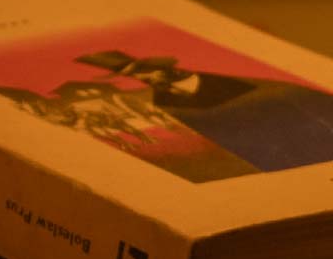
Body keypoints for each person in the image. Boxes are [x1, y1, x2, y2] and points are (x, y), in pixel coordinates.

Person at [76, 49, 333, 173]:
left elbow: (286, 103)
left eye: (142, 72)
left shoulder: (229, 82)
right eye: (135, 76)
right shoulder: (163, 101)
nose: (145, 79)